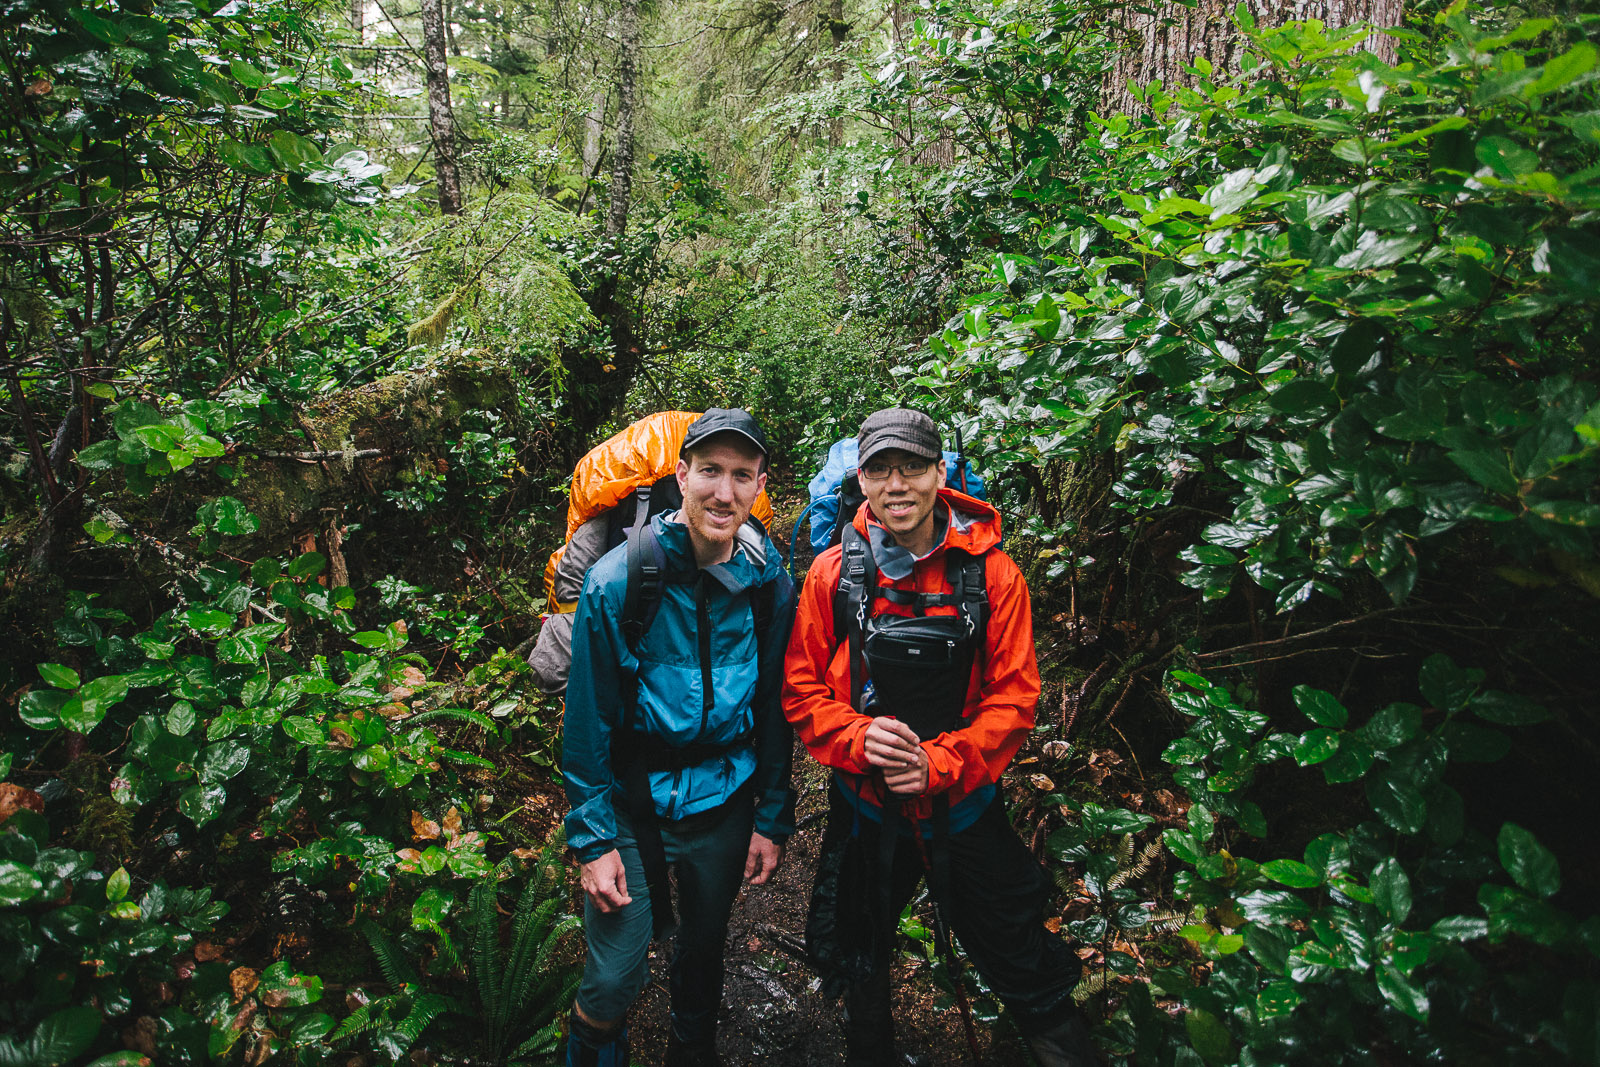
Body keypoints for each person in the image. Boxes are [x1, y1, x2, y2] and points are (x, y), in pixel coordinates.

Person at [782, 408, 1096, 1067]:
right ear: (861, 480)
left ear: (938, 474)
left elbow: (1015, 697)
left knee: (1018, 951)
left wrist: (940, 762)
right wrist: (861, 739)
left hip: (965, 807)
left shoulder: (992, 575)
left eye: (912, 467)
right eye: (880, 469)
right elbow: (803, 691)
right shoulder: (832, 576)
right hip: (866, 812)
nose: (897, 484)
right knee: (856, 949)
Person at [561, 409, 797, 1067]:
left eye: (741, 476)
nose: (725, 492)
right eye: (711, 472)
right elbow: (585, 724)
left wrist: (772, 818)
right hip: (632, 803)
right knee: (614, 972)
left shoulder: (768, 583)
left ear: (759, 486)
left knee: (702, 949)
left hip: (724, 800)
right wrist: (593, 839)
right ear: (682, 474)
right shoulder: (619, 580)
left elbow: (777, 707)